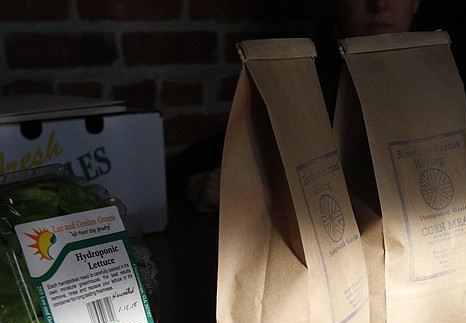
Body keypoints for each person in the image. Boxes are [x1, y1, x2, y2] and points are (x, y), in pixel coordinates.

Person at [169, 0, 422, 219]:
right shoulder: (304, 75)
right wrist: (230, 188)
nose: (378, 5)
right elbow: (228, 153)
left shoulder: (441, 77)